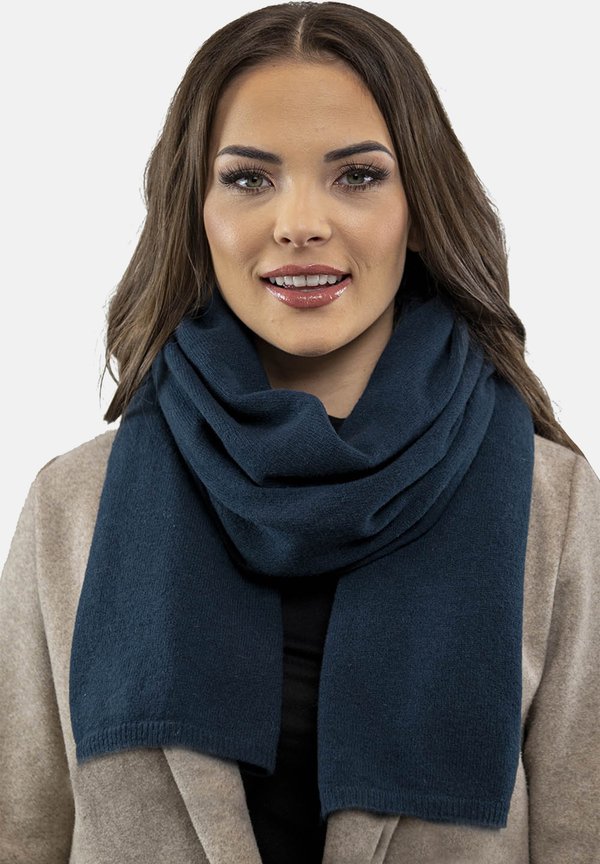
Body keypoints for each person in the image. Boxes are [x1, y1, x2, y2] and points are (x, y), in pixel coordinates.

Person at [1, 2, 598, 862]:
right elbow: (22, 834)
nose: (300, 223)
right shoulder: (72, 507)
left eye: (357, 176)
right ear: (195, 212)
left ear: (420, 210)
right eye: (250, 179)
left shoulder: (554, 508)